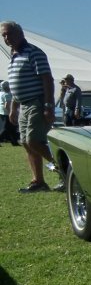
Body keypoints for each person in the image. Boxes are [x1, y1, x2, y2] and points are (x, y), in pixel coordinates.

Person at [1, 20, 62, 193]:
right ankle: (38, 181)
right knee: (26, 143)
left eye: (9, 34)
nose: (6, 38)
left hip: (37, 102)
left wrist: (48, 106)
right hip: (24, 105)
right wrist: (14, 108)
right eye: (3, 35)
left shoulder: (34, 52)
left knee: (33, 141)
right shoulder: (14, 56)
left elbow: (47, 79)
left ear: (20, 33)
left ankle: (65, 172)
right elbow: (16, 85)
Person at [0, 80, 18, 145]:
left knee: (9, 128)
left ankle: (14, 142)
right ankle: (14, 141)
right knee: (8, 128)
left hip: (2, 113)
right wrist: (11, 112)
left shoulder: (1, 93)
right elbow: (7, 105)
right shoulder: (7, 94)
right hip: (7, 113)